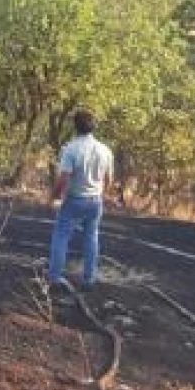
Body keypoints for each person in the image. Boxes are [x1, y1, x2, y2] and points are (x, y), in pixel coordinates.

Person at [48, 111, 114, 291]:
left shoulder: (71, 149)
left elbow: (64, 178)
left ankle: (54, 278)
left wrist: (54, 196)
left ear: (75, 126)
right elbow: (109, 179)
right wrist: (102, 196)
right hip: (95, 201)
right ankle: (89, 278)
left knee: (61, 236)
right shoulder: (105, 150)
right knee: (91, 238)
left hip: (74, 200)